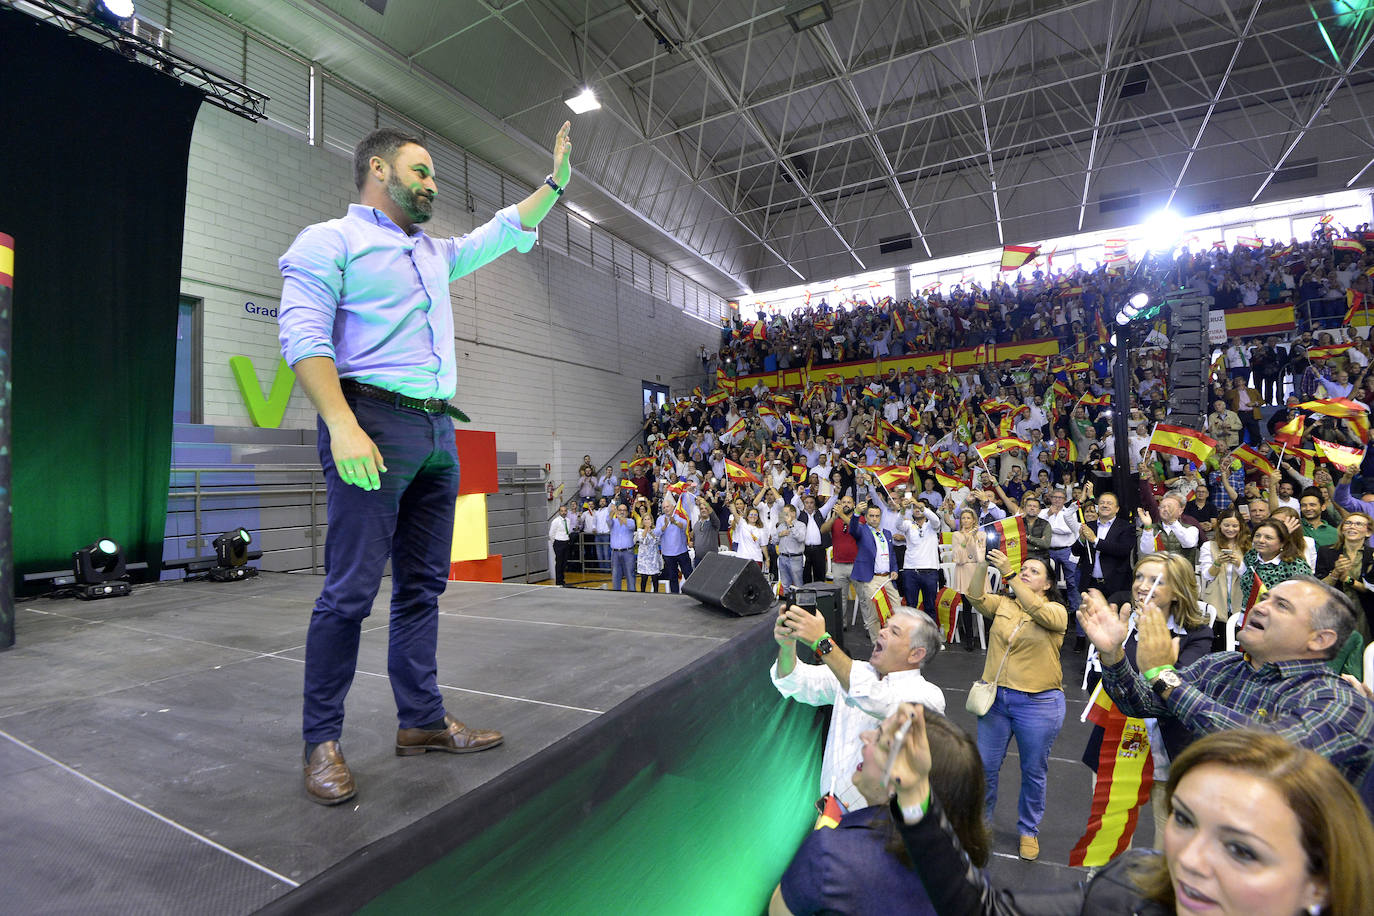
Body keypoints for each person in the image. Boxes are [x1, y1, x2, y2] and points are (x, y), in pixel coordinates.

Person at [279, 122, 572, 804]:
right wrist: (342, 424)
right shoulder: (331, 241)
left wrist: (555, 183)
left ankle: (421, 722)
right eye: (422, 172)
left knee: (422, 589)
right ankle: (320, 740)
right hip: (372, 425)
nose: (433, 184)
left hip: (438, 431)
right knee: (350, 592)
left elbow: (503, 229)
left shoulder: (434, 253)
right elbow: (302, 334)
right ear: (378, 170)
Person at [883, 703, 1374, 916]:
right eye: (1183, 819)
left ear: (1321, 879)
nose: (1188, 860)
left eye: (1241, 850)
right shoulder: (1128, 890)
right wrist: (916, 797)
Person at [1081, 576, 1374, 786]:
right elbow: (1142, 702)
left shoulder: (1342, 702)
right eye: (1266, 598)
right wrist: (1113, 655)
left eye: (1282, 605)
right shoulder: (1222, 666)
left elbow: (1267, 752)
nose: (1259, 606)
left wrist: (1162, 674)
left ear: (1320, 639)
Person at [769, 710, 988, 916]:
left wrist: (820, 838)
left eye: (880, 739)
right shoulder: (969, 870)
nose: (865, 736)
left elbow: (779, 911)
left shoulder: (830, 853)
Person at [1086, 554, 1216, 840]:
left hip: (1167, 752)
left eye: (1156, 580)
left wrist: (1149, 656)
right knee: (1108, 841)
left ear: (1178, 591)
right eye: (1139, 577)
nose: (1142, 586)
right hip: (1115, 747)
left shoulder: (1197, 636)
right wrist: (1109, 653)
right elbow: (1097, 683)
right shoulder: (1120, 622)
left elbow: (1179, 693)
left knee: (1168, 845)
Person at [771, 603, 945, 812]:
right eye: (885, 626)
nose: (882, 631)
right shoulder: (857, 672)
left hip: (880, 825)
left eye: (894, 632)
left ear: (915, 654)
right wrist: (788, 645)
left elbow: (876, 700)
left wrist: (822, 642)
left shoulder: (928, 697)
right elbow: (794, 681)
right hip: (830, 814)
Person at [964, 548, 1067, 861]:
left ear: (1048, 584)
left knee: (1033, 771)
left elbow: (1039, 612)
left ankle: (1028, 830)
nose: (1025, 572)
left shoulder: (1056, 613)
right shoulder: (1006, 603)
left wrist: (1009, 574)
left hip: (1039, 704)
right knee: (984, 768)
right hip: (996, 701)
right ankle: (980, 826)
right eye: (1024, 569)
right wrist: (982, 562)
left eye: (1034, 571)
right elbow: (974, 597)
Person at [848, 502, 902, 641]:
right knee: (873, 615)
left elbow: (892, 555)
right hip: (871, 578)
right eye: (871, 516)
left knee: (898, 610)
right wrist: (855, 514)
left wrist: (894, 570)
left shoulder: (887, 533)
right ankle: (876, 643)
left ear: (880, 517)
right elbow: (852, 530)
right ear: (866, 517)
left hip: (887, 578)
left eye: (877, 516)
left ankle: (893, 640)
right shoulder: (862, 530)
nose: (874, 518)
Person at [1244, 518, 1313, 588]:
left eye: (1268, 538)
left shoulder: (1295, 566)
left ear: (1282, 543)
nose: (1261, 540)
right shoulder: (1251, 556)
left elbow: (1308, 593)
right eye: (1257, 536)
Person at [655, 502, 693, 593]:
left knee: (689, 575)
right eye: (664, 507)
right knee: (673, 577)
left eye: (667, 506)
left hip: (681, 551)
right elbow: (656, 533)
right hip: (668, 554)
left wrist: (674, 522)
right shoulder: (660, 519)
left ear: (673, 507)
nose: (666, 509)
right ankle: (675, 596)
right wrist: (664, 526)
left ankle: (692, 593)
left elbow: (684, 526)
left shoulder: (679, 516)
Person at [775, 504, 808, 591]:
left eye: (786, 513)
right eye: (783, 513)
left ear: (793, 513)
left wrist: (791, 526)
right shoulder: (781, 526)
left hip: (795, 558)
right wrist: (780, 534)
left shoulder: (801, 525)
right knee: (785, 584)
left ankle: (798, 604)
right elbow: (774, 541)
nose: (784, 515)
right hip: (783, 557)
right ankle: (787, 603)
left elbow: (801, 538)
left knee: (798, 584)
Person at [608, 503, 636, 591]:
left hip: (628, 552)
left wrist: (618, 514)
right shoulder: (613, 522)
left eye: (624, 510)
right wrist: (612, 512)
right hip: (615, 552)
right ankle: (616, 594)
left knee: (630, 574)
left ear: (627, 512)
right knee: (615, 575)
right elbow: (608, 520)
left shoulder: (631, 521)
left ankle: (632, 595)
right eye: (620, 510)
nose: (622, 512)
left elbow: (631, 526)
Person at [548, 504, 577, 587]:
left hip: (566, 542)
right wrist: (555, 543)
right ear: (559, 512)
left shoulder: (567, 520)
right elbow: (551, 534)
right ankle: (558, 581)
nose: (564, 512)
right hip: (558, 542)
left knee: (564, 562)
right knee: (559, 562)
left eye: (565, 511)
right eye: (562, 511)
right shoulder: (556, 521)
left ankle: (562, 579)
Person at [634, 511, 663, 593]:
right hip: (644, 558)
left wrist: (651, 532)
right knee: (644, 578)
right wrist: (646, 529)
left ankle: (656, 594)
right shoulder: (640, 530)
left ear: (651, 520)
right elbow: (643, 540)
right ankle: (642, 594)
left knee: (654, 578)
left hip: (653, 557)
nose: (647, 521)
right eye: (645, 519)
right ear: (643, 521)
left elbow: (658, 541)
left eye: (648, 519)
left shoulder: (655, 530)